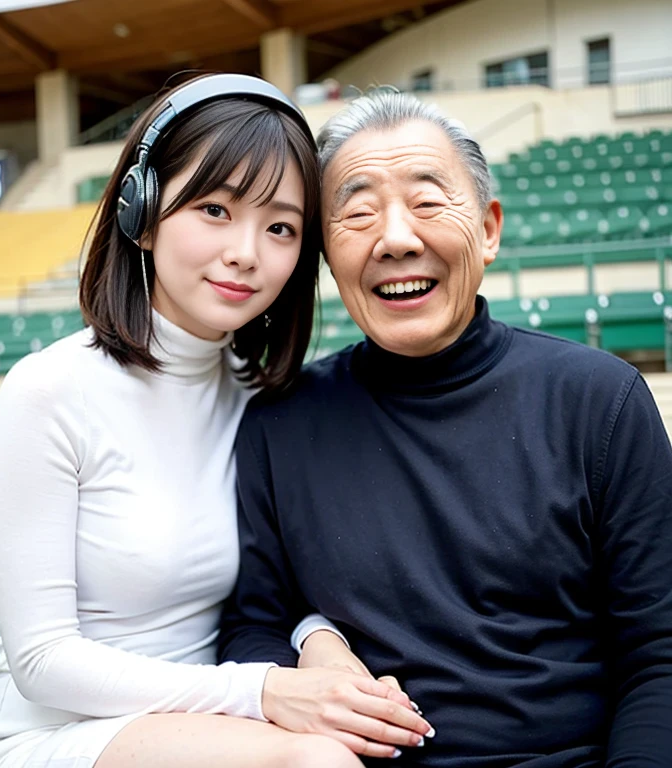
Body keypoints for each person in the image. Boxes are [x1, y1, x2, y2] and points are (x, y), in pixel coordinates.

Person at [0, 75, 432, 768]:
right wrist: (267, 691)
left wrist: (316, 642)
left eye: (279, 228)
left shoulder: (261, 398)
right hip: (55, 731)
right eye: (215, 209)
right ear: (143, 212)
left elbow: (269, 590)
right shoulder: (49, 391)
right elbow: (42, 660)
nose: (247, 252)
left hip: (214, 719)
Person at [219, 89, 672, 767]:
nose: (397, 239)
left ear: (489, 229)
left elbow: (660, 657)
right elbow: (252, 627)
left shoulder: (599, 400)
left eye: (428, 203)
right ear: (325, 253)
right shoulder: (278, 424)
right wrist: (307, 653)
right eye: (359, 212)